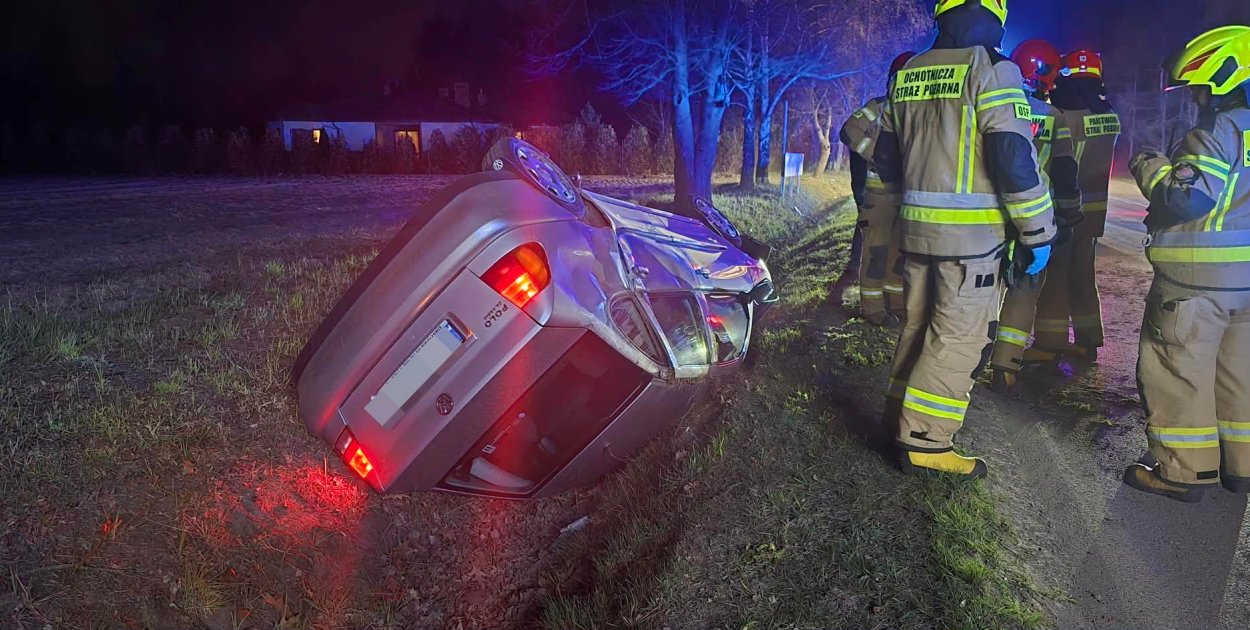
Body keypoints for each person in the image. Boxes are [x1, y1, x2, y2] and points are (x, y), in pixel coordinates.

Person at [875, 0, 1056, 478]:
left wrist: (907, 212)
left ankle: (896, 421)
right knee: (956, 339)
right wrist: (1037, 233)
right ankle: (926, 443)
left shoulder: (910, 70)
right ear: (995, 16)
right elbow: (1013, 159)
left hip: (916, 233)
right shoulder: (994, 69)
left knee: (916, 330)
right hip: (973, 242)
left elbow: (887, 156)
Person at [1125, 25, 1250, 502]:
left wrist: (1150, 165)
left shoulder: (1216, 130)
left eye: (1197, 86)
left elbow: (1185, 198)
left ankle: (1183, 472)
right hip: (1245, 283)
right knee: (1238, 374)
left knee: (1178, 371)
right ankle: (1240, 466)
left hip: (1197, 282)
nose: (1193, 96)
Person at [990, 39, 1083, 392]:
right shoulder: (1052, 117)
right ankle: (1005, 365)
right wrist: (1070, 212)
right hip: (1033, 215)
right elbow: (1063, 170)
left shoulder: (995, 104)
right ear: (1048, 77)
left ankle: (972, 354)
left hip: (990, 214)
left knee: (983, 285)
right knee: (1024, 287)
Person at [1028, 49, 1121, 363]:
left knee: (1055, 276)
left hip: (1064, 208)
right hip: (1094, 213)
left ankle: (1048, 343)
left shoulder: (1064, 114)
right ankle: (1088, 340)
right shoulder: (1109, 116)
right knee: (1083, 275)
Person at [840, 52, 916, 326]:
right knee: (876, 253)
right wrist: (877, 155)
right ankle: (872, 310)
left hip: (907, 196)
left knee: (899, 254)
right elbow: (848, 131)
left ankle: (895, 306)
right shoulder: (879, 107)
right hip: (879, 195)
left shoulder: (918, 110)